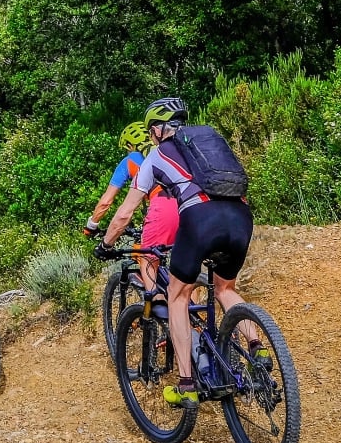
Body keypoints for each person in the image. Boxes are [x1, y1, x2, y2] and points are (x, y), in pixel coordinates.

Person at [100, 98, 260, 405]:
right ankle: (257, 347)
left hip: (201, 220)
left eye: (150, 131)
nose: (150, 137)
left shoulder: (156, 156)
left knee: (177, 295)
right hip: (241, 217)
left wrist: (106, 244)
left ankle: (187, 384)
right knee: (225, 289)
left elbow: (124, 213)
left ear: (159, 130)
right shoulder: (207, 145)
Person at [84, 119, 177, 293]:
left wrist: (91, 225)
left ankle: (156, 307)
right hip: (188, 204)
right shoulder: (166, 152)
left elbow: (106, 201)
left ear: (129, 144)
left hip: (163, 209)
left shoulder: (131, 159)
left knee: (147, 259)